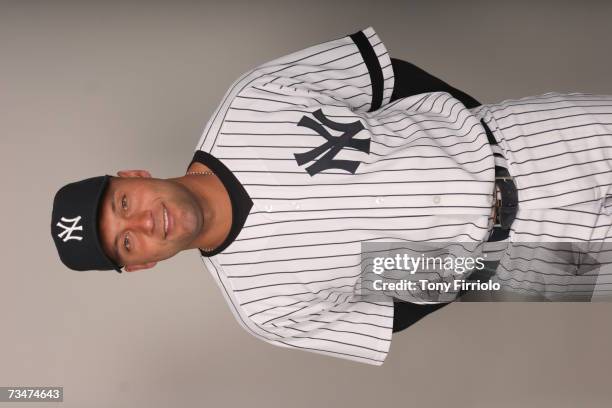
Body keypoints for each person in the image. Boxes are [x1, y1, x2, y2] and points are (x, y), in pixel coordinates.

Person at [51, 27, 612, 365]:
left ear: (132, 174)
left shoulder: (253, 99)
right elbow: (388, 311)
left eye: (123, 204)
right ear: (142, 265)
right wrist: (481, 267)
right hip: (529, 264)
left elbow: (386, 78)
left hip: (526, 142)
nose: (145, 223)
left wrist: (470, 136)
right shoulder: (264, 308)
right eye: (126, 243)